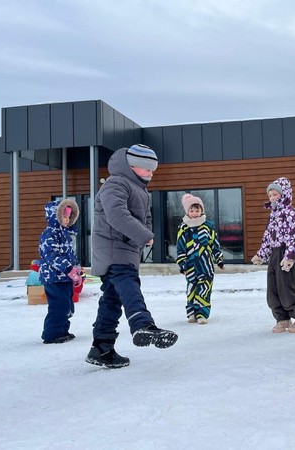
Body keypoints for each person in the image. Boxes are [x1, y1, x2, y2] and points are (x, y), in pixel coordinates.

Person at [87, 144, 178, 369]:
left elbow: (145, 217)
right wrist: (144, 235)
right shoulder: (115, 183)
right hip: (112, 250)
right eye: (147, 168)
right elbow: (117, 215)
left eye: (153, 169)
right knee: (128, 284)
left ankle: (101, 347)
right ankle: (142, 323)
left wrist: (146, 234)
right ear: (132, 166)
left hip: (126, 249)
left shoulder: (139, 189)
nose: (151, 173)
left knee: (111, 299)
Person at [251, 177, 295, 333]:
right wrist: (261, 254)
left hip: (287, 254)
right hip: (274, 254)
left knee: (287, 288)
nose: (272, 198)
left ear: (284, 194)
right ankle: (282, 318)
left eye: (275, 194)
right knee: (273, 289)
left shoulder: (292, 213)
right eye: (270, 195)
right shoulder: (273, 215)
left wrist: (290, 257)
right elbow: (267, 237)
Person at [39, 199, 83, 344]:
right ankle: (52, 334)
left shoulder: (66, 233)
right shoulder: (49, 233)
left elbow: (70, 255)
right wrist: (69, 269)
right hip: (53, 277)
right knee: (59, 305)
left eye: (69, 216)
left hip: (64, 278)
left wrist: (77, 269)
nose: (67, 219)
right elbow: (52, 255)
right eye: (64, 216)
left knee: (68, 306)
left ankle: (62, 330)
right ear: (55, 216)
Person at [176, 193, 225, 324]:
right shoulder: (184, 228)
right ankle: (191, 313)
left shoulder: (208, 226)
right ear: (187, 211)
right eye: (192, 210)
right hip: (191, 265)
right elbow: (180, 247)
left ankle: (202, 314)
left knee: (204, 288)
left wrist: (219, 259)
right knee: (191, 288)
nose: (195, 213)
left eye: (197, 210)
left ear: (201, 210)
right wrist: (182, 264)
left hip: (206, 264)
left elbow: (215, 244)